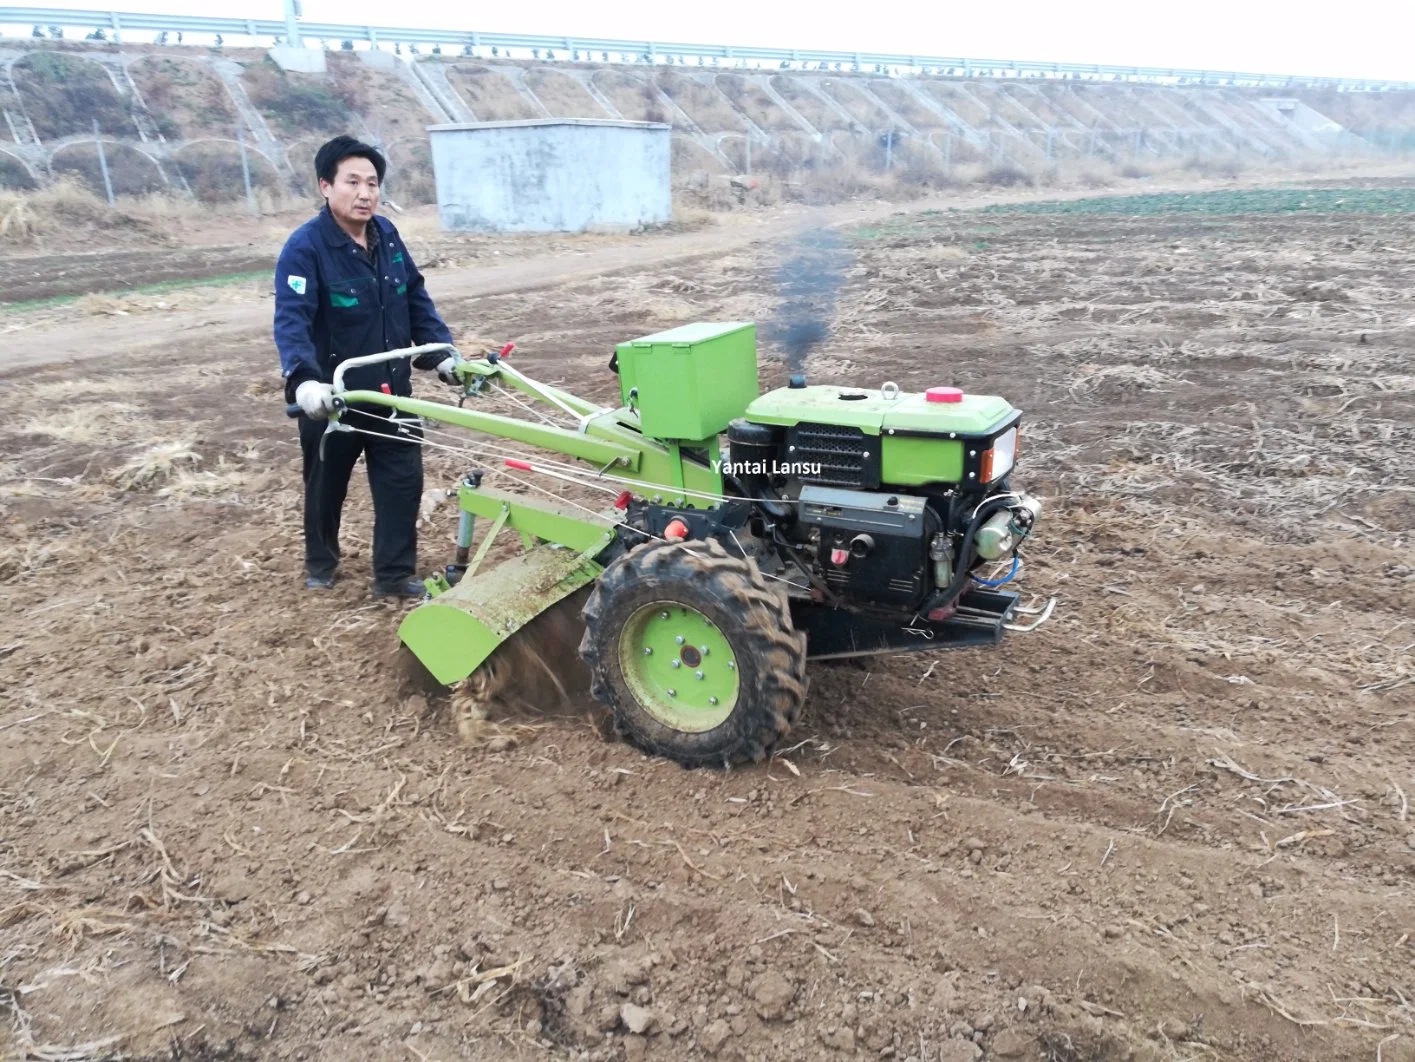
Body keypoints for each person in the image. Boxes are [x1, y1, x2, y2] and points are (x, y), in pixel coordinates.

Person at [274, 135, 457, 597]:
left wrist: (441, 354)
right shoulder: (305, 248)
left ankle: (393, 576)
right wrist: (304, 382)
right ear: (325, 186)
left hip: (390, 392)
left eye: (372, 183)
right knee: (325, 487)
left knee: (402, 482)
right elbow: (291, 321)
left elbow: (414, 296)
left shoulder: (387, 236)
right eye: (352, 181)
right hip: (335, 397)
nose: (365, 193)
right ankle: (322, 561)